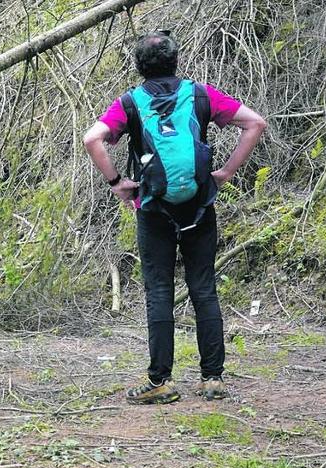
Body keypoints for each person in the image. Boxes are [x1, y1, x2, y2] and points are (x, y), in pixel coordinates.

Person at [83, 31, 267, 405]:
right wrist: (227, 172)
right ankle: (212, 379)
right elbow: (255, 124)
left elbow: (92, 139)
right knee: (203, 288)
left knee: (160, 292)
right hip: (199, 205)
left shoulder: (130, 103)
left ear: (139, 67)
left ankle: (160, 382)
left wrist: (118, 182)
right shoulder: (201, 95)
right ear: (175, 61)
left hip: (153, 209)